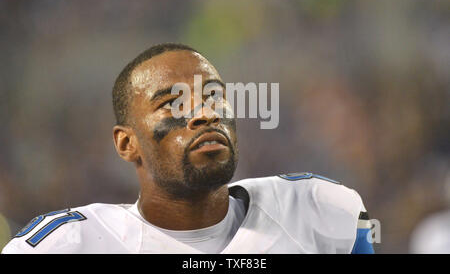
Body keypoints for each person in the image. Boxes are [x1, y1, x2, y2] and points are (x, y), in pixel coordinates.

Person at [1, 43, 374, 253]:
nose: (204, 114)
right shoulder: (66, 246)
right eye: (172, 103)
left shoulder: (319, 210)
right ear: (127, 143)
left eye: (214, 96)